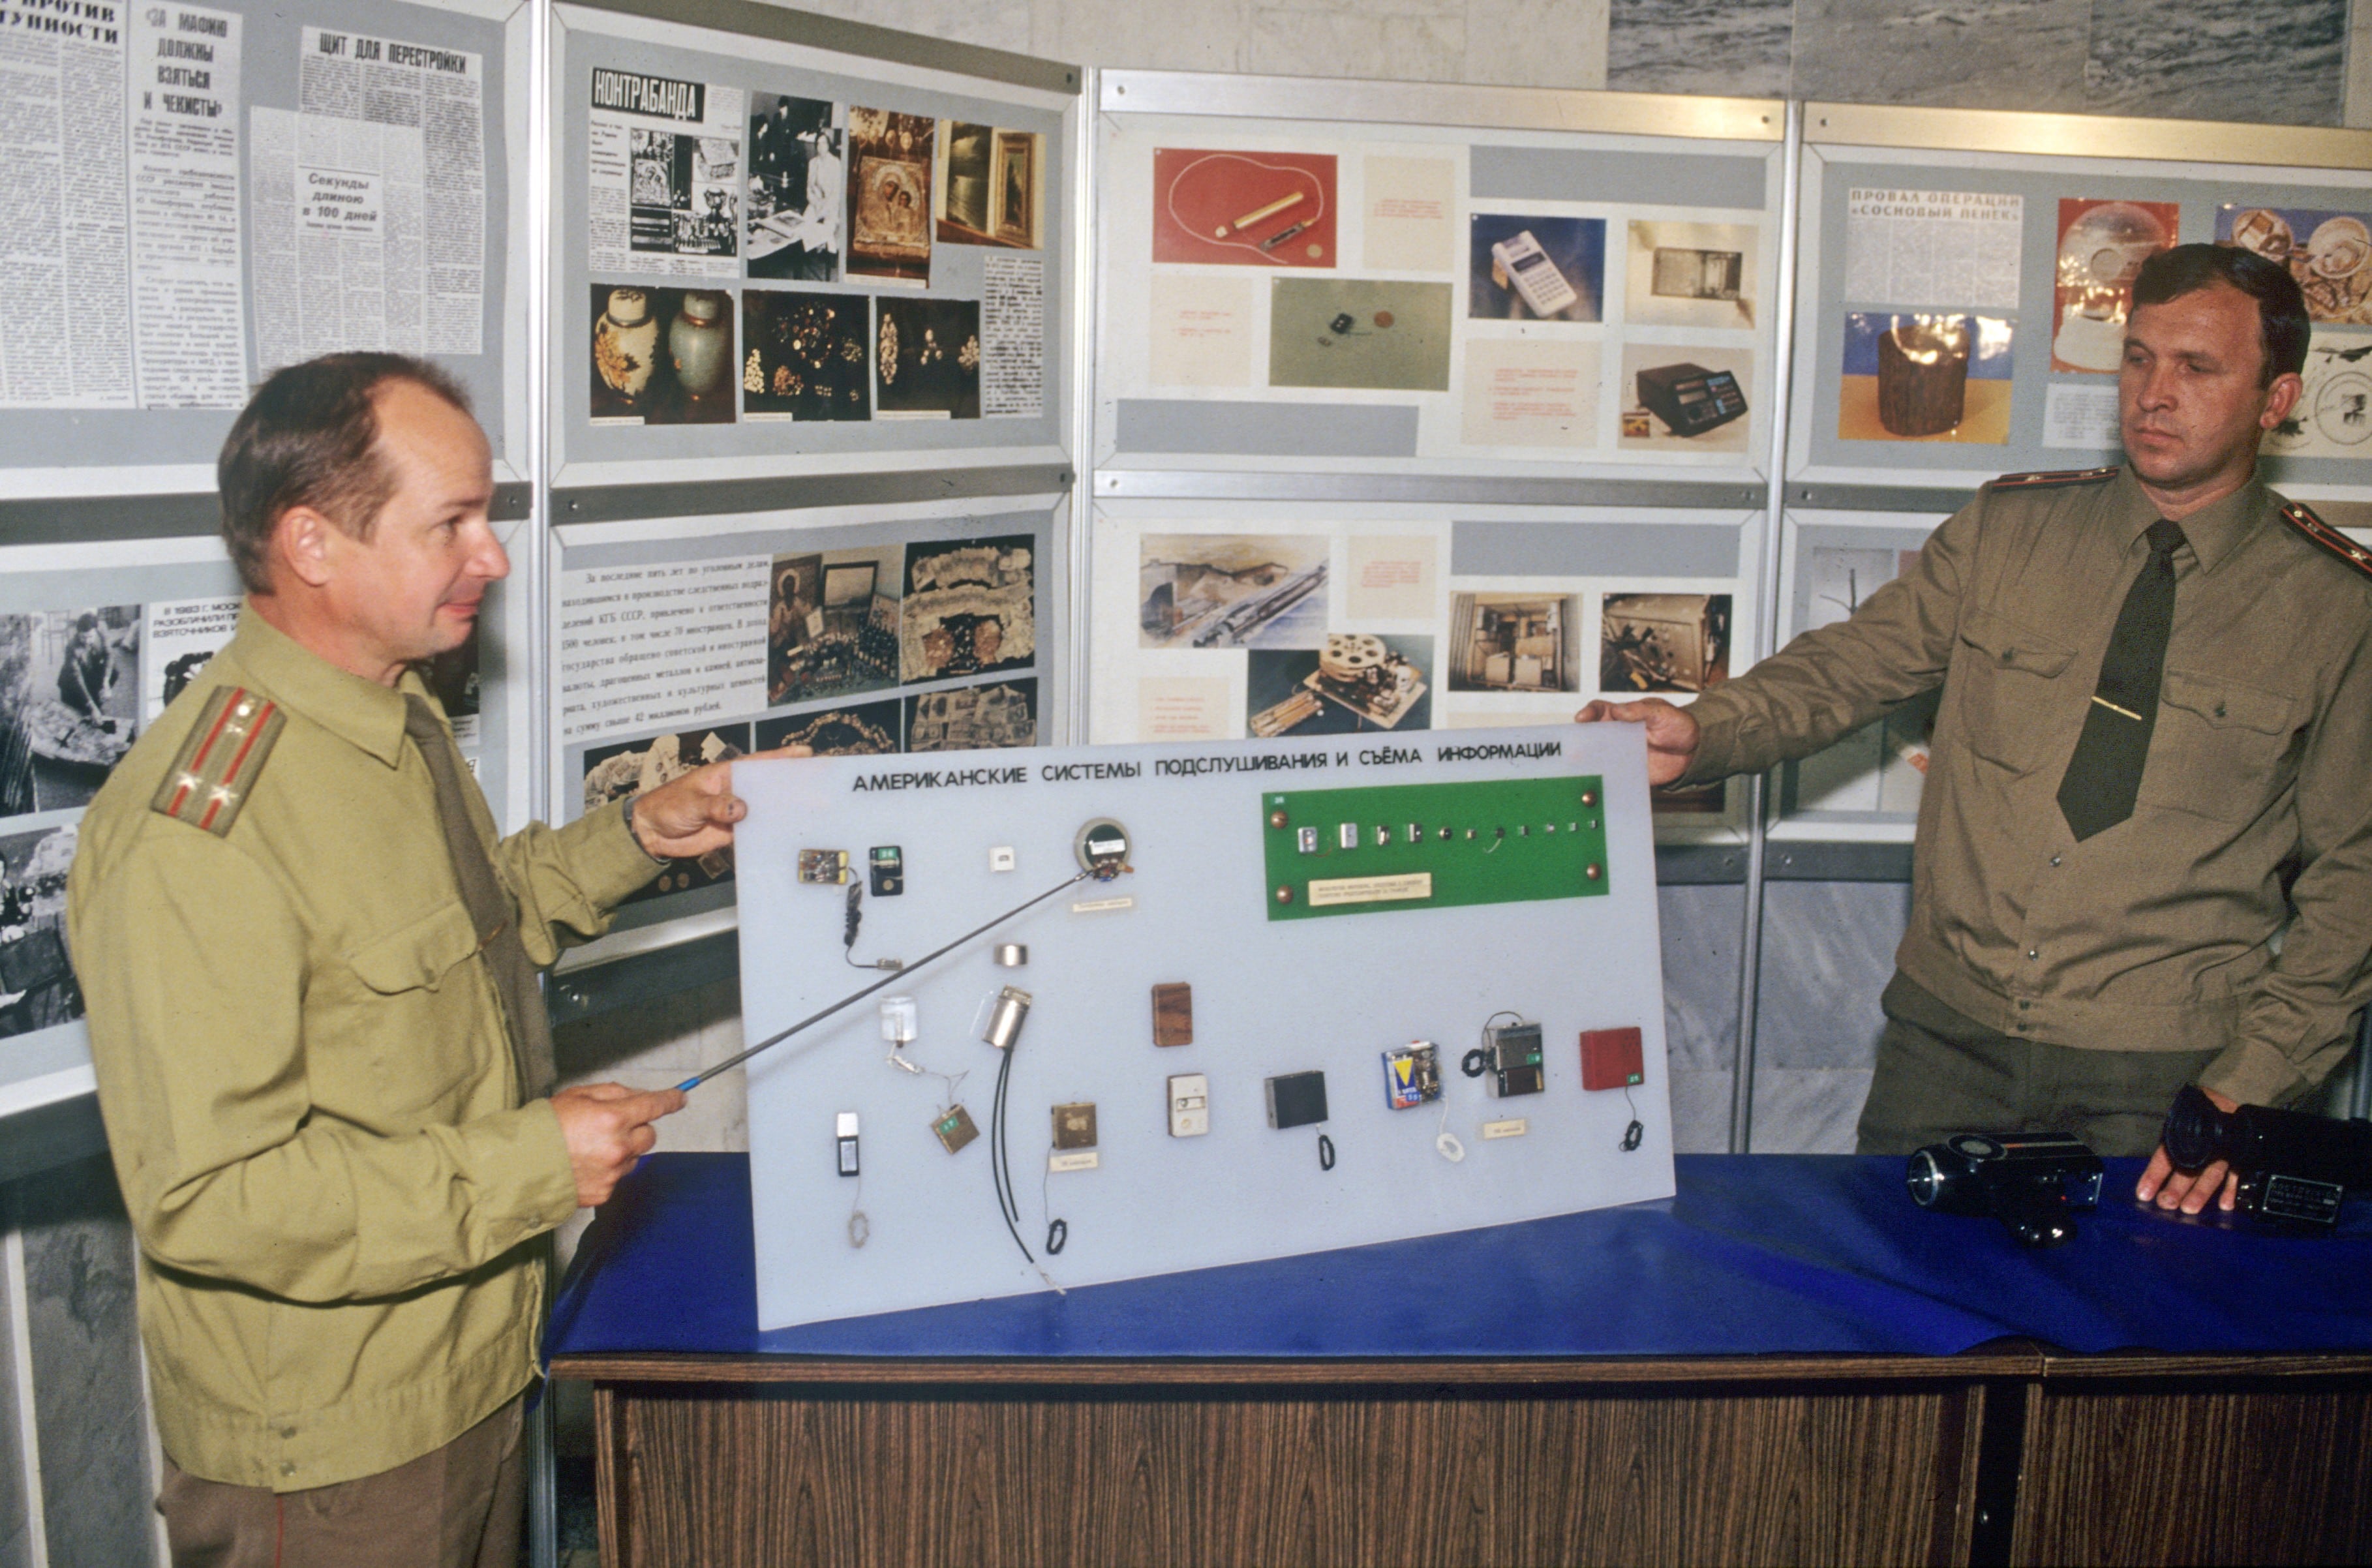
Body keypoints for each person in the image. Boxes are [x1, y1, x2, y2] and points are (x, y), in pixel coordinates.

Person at [68, 352, 791, 1566]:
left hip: (476, 1367)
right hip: (339, 1453)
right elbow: (212, 1199)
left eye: (486, 516)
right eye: (450, 523)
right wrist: (535, 1162)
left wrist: (637, 833)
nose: (492, 557)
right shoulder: (196, 834)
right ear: (311, 543)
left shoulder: (389, 714)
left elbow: (468, 924)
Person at [1581, 244, 2372, 1218]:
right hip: (1946, 1043)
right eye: (2138, 358)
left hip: (2164, 1074)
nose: (2154, 394)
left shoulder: (2336, 610)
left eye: (2197, 368)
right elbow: (1851, 665)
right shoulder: (2011, 531)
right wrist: (1703, 732)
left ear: (2276, 398)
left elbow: (2354, 887)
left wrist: (2253, 1083)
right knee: (1892, 1298)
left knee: (2130, 1314)